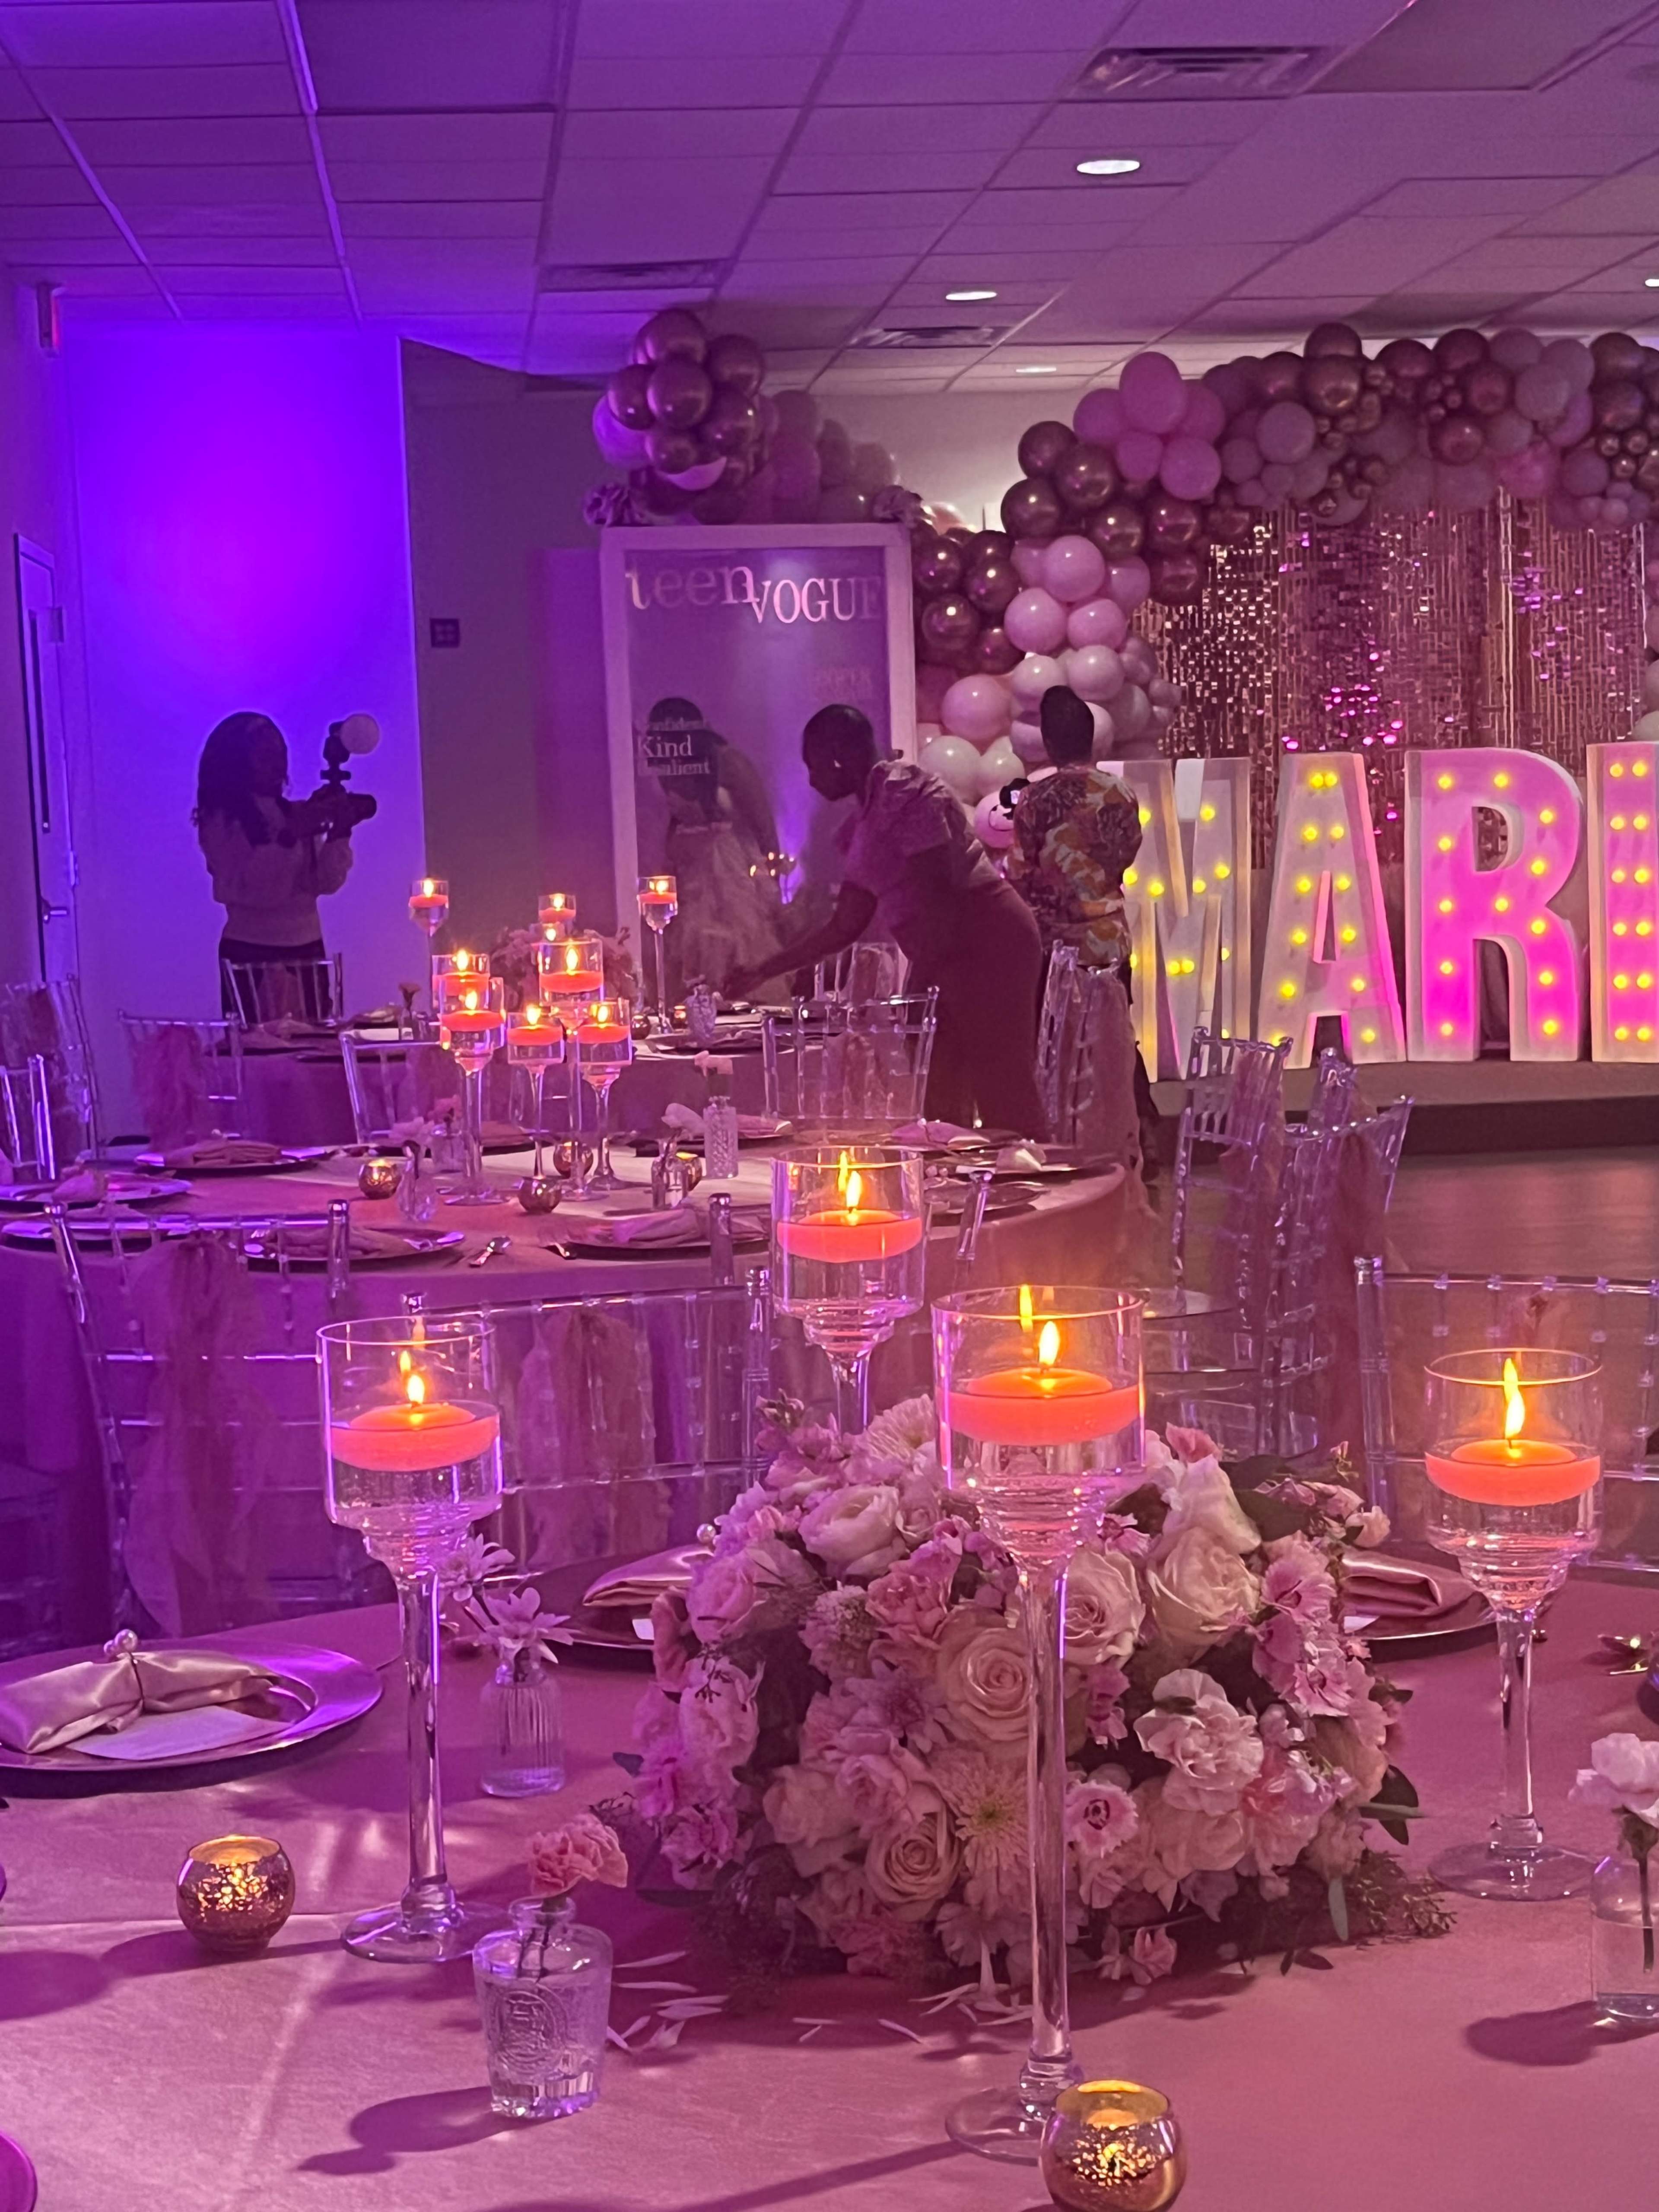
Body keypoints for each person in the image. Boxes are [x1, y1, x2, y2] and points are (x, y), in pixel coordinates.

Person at [727, 703, 1046, 1135]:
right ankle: (956, 1187)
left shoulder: (905, 795)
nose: (812, 778)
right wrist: (763, 970)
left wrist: (927, 979)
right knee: (938, 1085)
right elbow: (846, 925)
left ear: (838, 757)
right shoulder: (871, 816)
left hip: (985, 938)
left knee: (1001, 1082)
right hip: (946, 948)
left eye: (813, 764)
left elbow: (939, 895)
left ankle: (1032, 1188)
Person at [1007, 685, 1157, 1166]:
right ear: (1093, 740)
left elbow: (1022, 871)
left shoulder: (1034, 800)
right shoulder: (1121, 793)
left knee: (1056, 1046)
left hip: (1055, 946)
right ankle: (1142, 1137)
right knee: (1117, 1040)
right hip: (1110, 937)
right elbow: (1124, 854)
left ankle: (1065, 1142)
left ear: (1048, 742)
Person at [194, 711, 356, 1020]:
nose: (277, 761)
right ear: (238, 762)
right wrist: (291, 834)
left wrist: (340, 832)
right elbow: (258, 891)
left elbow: (324, 883)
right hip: (251, 952)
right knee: (260, 1050)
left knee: (313, 1046)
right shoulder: (221, 822)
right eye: (265, 753)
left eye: (280, 752)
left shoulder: (291, 813)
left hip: (307, 947)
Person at [642, 696, 784, 995]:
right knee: (691, 947)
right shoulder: (670, 766)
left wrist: (771, 877)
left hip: (731, 869)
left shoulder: (728, 761)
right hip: (690, 868)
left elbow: (764, 824)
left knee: (738, 943)